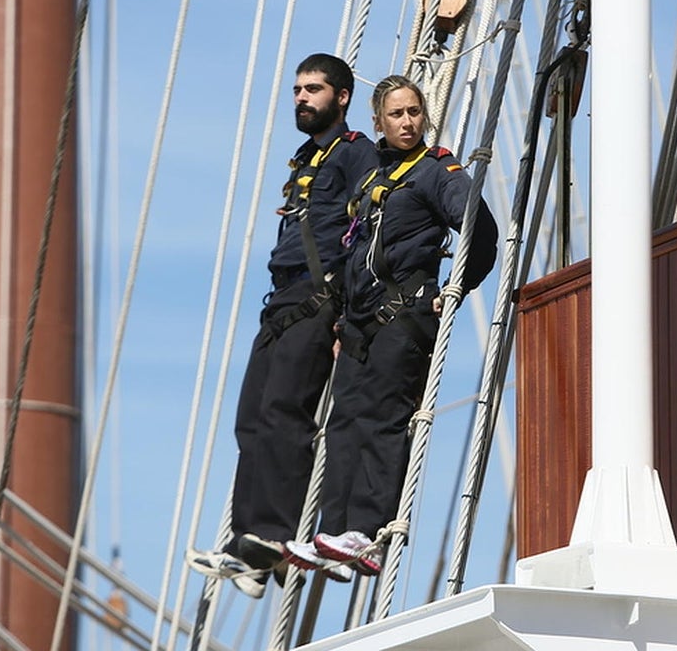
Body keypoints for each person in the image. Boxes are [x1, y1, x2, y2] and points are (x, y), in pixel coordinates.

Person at [283, 74, 498, 576]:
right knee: (343, 422)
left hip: (404, 315)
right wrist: (340, 320)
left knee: (382, 417)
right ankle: (335, 533)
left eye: (414, 112)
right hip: (359, 322)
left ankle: (368, 531)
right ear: (378, 122)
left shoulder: (437, 171)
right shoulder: (372, 175)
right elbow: (354, 248)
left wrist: (457, 288)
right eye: (396, 114)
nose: (407, 122)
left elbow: (480, 231)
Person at [191, 53, 378, 598]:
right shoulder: (305, 159)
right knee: (251, 419)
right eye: (297, 89)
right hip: (282, 299)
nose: (301, 98)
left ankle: (273, 535)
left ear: (341, 97)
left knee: (284, 412)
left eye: (313, 89)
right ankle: (248, 549)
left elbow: (370, 233)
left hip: (320, 299)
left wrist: (350, 316)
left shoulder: (357, 153)